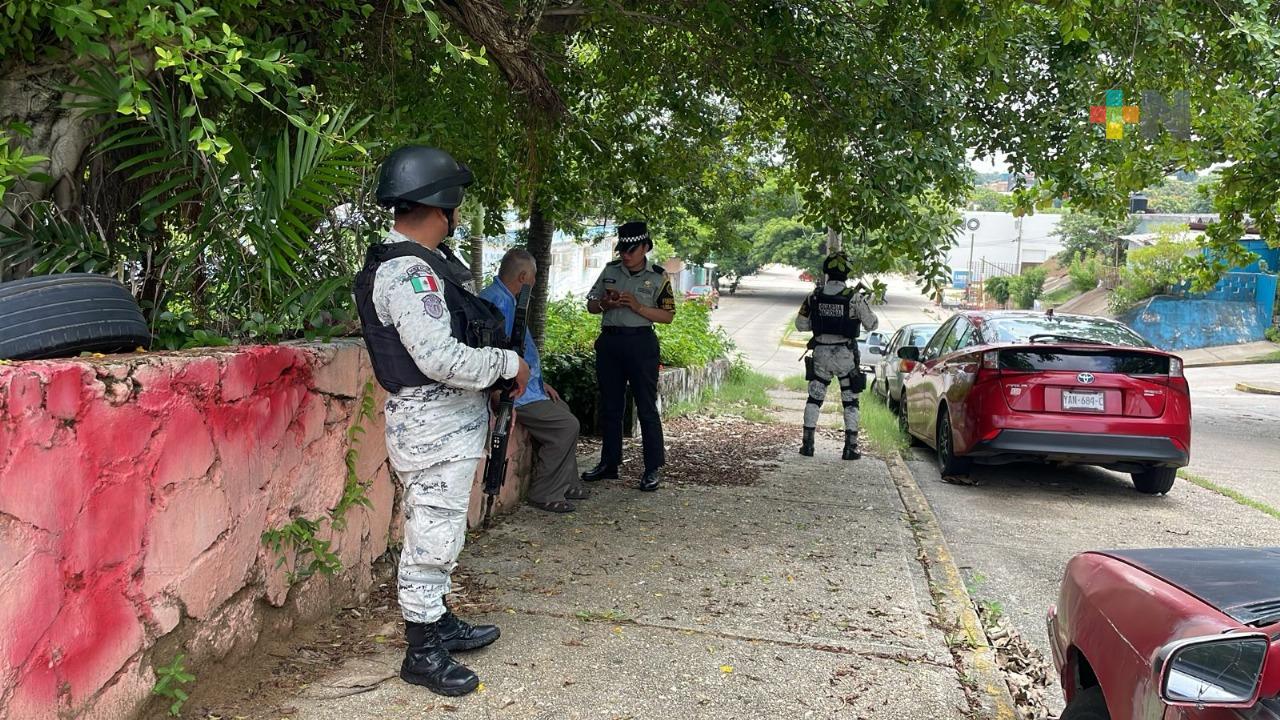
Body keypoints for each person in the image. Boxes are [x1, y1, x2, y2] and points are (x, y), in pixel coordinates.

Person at [353, 145, 530, 697]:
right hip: (432, 422)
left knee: (443, 528)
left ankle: (439, 622)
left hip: (444, 422)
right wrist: (508, 364)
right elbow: (440, 360)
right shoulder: (409, 273)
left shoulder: (421, 267)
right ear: (442, 206)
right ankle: (421, 649)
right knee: (431, 535)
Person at [480, 248, 591, 513]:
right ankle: (545, 492)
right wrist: (499, 392)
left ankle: (567, 483)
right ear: (523, 276)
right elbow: (494, 354)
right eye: (534, 277)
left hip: (527, 387)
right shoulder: (495, 303)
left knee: (561, 409)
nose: (535, 282)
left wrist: (540, 384)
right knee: (566, 426)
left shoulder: (508, 299)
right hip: (514, 392)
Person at [580, 221, 675, 491]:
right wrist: (604, 304)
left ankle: (652, 468)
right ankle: (609, 463)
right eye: (623, 249)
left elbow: (667, 316)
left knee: (646, 407)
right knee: (610, 406)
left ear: (645, 247)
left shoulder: (658, 276)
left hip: (641, 344)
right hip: (610, 343)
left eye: (632, 249)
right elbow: (591, 305)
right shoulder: (610, 271)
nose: (626, 254)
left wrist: (638, 306)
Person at [794, 250, 879, 460]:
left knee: (814, 398)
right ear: (847, 274)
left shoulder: (814, 296)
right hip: (845, 355)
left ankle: (808, 445)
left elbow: (800, 325)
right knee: (850, 401)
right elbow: (872, 324)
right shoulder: (854, 298)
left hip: (821, 352)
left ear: (826, 273)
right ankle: (850, 448)